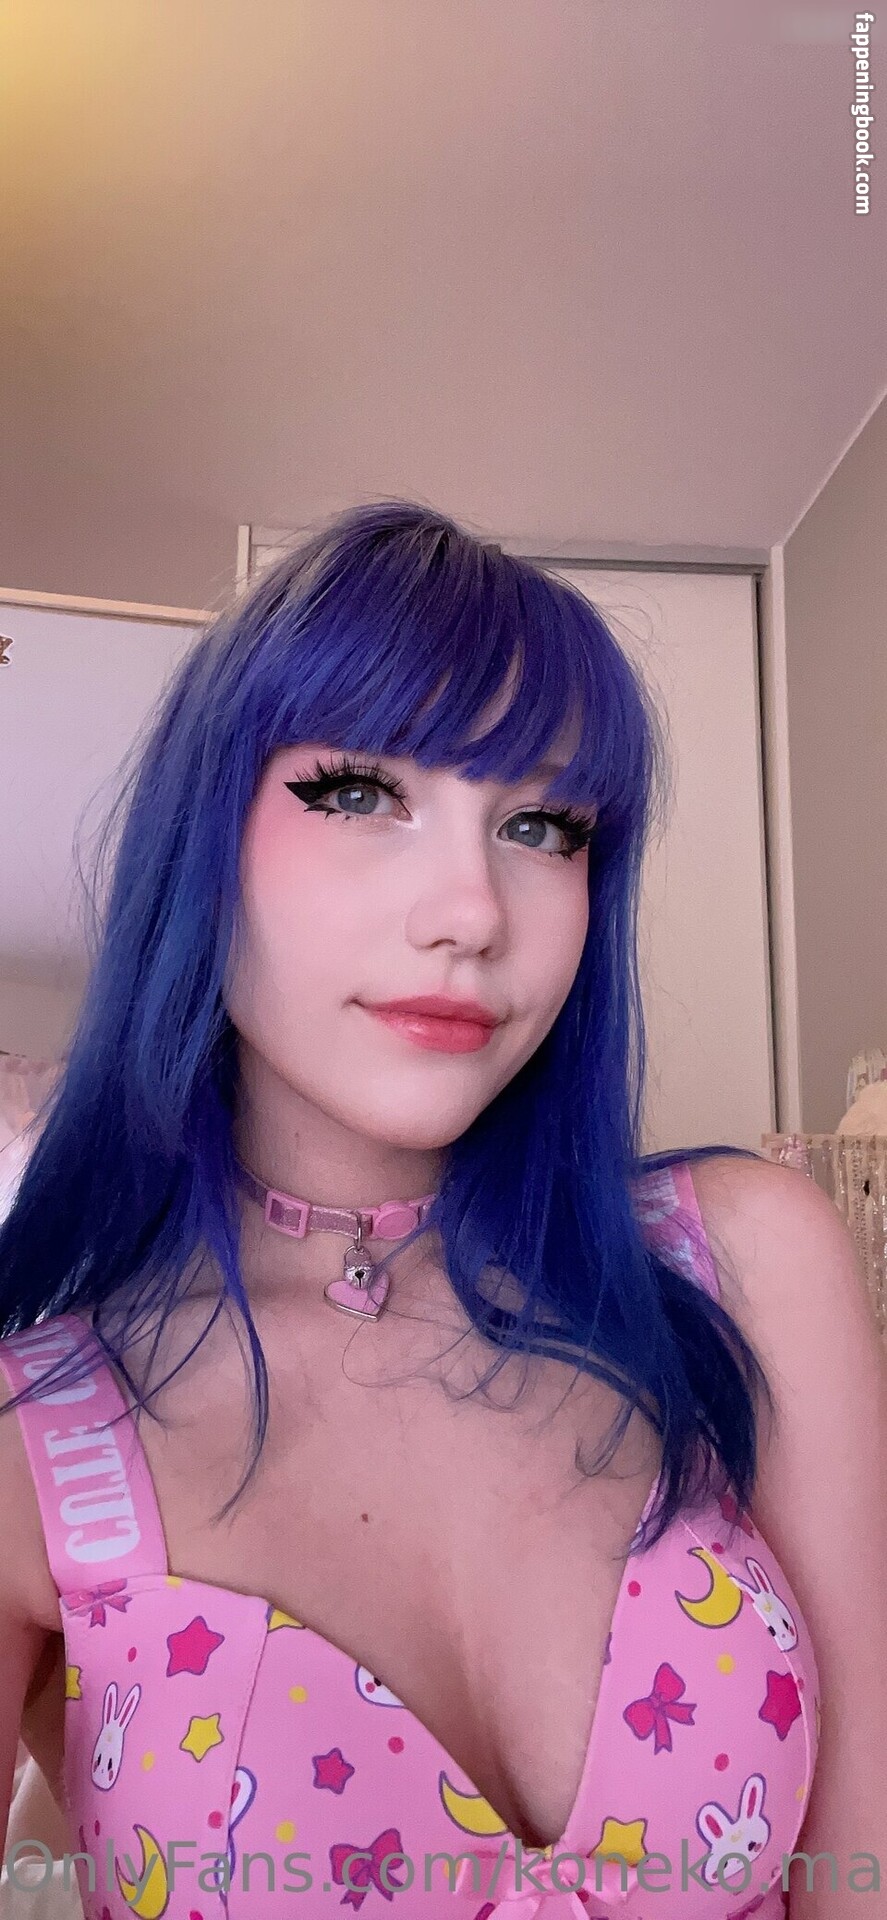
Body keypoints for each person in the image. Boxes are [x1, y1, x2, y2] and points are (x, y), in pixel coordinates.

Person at [0, 500, 883, 1920]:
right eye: (360, 792)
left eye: (541, 825)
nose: (474, 910)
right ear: (200, 836)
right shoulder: (40, 1442)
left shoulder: (740, 1260)